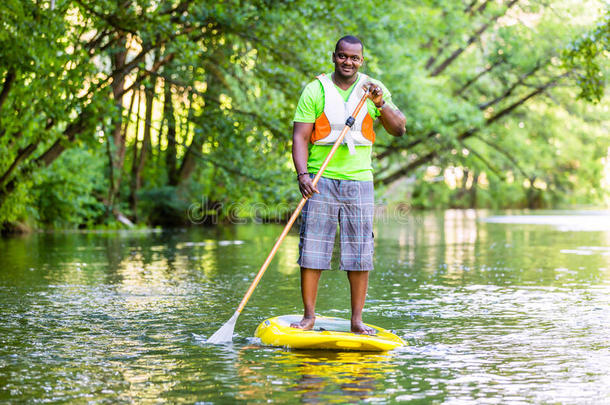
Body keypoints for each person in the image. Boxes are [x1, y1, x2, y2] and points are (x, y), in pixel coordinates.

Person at [291, 35, 406, 334]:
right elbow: (300, 137)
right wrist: (303, 175)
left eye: (354, 58)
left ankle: (357, 321)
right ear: (334, 56)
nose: (348, 62)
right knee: (313, 248)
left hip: (359, 180)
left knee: (359, 250)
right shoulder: (315, 89)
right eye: (343, 56)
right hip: (319, 178)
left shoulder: (373, 90)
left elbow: (399, 129)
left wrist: (380, 103)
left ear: (361, 61)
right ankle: (309, 317)